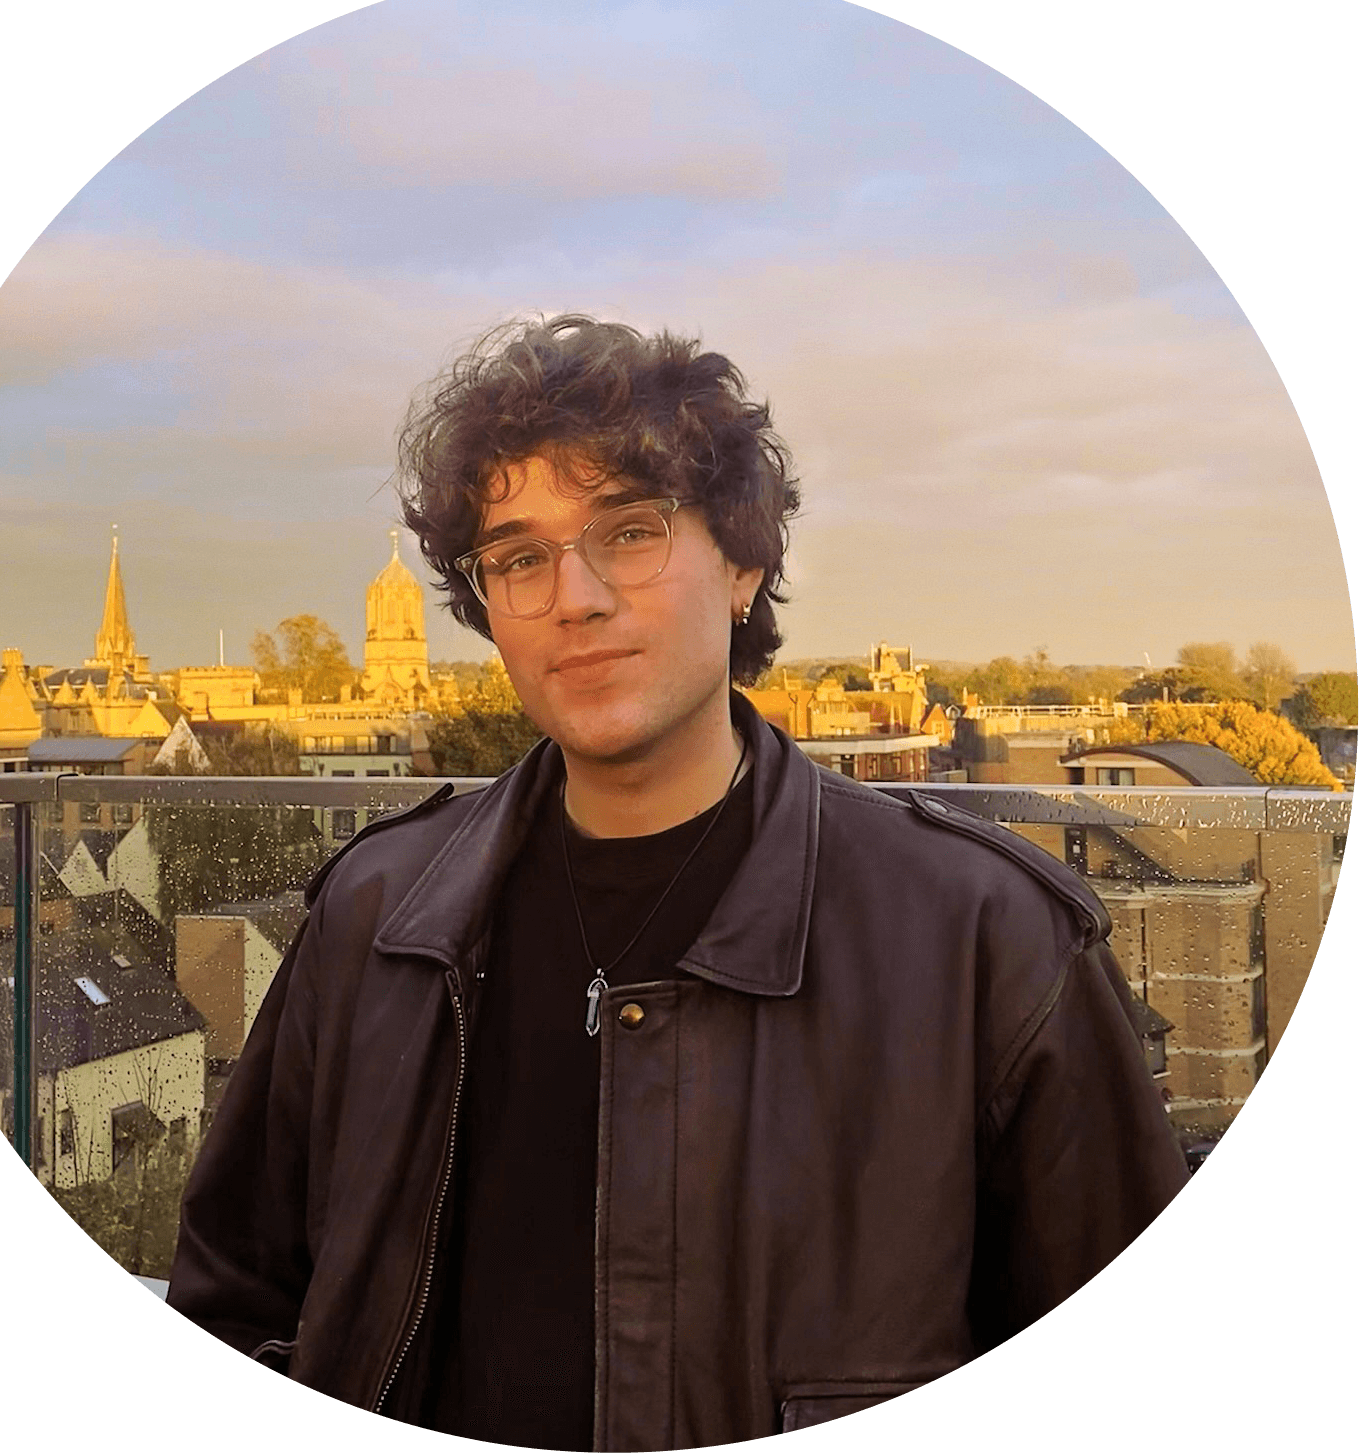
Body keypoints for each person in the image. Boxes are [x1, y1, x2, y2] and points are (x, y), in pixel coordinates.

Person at [167, 315, 1189, 1450]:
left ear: (743, 561)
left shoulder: (984, 939)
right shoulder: (373, 914)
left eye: (631, 530)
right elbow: (235, 1298)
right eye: (518, 556)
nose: (576, 596)